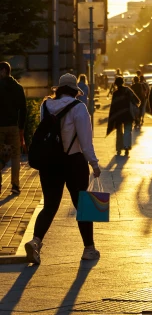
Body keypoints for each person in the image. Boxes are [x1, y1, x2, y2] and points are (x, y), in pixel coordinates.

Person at [24, 73, 101, 265]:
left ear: (58, 89)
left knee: (49, 206)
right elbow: (85, 141)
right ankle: (89, 249)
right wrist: (94, 163)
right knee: (83, 206)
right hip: (74, 162)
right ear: (75, 90)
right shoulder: (79, 108)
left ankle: (35, 242)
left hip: (50, 163)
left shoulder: (45, 105)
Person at [0, 61, 26, 196]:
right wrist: (21, 128)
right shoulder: (18, 88)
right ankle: (15, 185)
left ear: (3, 71)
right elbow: (23, 109)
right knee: (16, 156)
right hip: (14, 127)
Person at [107, 76, 140, 155]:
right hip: (128, 114)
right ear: (123, 82)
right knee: (127, 131)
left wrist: (112, 118)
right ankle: (126, 147)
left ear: (116, 84)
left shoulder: (115, 94)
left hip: (118, 116)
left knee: (119, 132)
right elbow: (137, 100)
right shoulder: (127, 90)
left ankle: (119, 149)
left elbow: (113, 107)